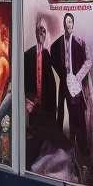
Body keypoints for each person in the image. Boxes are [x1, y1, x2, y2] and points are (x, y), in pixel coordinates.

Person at [50, 12, 93, 156]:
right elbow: (54, 60)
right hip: (65, 85)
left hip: (76, 85)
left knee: (78, 115)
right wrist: (64, 76)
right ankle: (66, 145)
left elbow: (89, 61)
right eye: (66, 21)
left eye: (70, 22)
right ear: (63, 24)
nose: (68, 24)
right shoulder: (57, 44)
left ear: (73, 24)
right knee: (64, 114)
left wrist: (78, 77)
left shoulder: (80, 43)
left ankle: (82, 147)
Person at [24, 16, 58, 165]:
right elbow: (25, 80)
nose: (41, 34)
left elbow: (51, 83)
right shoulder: (28, 55)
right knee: (33, 135)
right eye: (39, 30)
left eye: (43, 31)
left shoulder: (46, 54)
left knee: (44, 134)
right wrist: (28, 98)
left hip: (44, 106)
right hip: (32, 105)